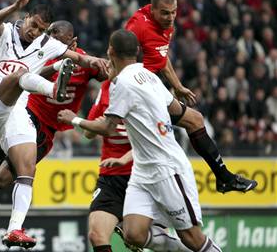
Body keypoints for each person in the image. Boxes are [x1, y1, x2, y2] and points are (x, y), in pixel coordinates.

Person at [58, 29, 222, 251]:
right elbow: (175, 112)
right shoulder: (149, 76)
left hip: (166, 168)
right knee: (133, 234)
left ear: (111, 51)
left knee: (191, 237)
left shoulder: (122, 84)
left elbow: (107, 128)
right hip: (141, 171)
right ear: (136, 52)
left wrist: (74, 119)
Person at [0, 0, 107, 248]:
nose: (35, 32)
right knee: (21, 75)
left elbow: (78, 57)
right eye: (33, 25)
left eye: (40, 29)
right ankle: (54, 87)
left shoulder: (48, 44)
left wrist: (94, 60)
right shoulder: (6, 31)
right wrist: (13, 6)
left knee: (23, 171)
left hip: (13, 112)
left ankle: (14, 229)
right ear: (27, 17)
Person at [0, 20, 105, 197]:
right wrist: (54, 66)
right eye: (50, 37)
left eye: (60, 41)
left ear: (73, 42)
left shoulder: (83, 62)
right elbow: (27, 75)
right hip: (28, 112)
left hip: (47, 131)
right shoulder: (40, 52)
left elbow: (108, 72)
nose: (53, 43)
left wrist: (106, 70)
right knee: (9, 145)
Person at [126, 0, 256, 193]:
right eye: (165, 13)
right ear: (153, 10)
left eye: (174, 12)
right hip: (140, 91)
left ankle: (224, 178)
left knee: (195, 120)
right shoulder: (137, 26)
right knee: (159, 150)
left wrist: (177, 86)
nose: (171, 17)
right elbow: (121, 56)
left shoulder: (166, 25)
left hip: (154, 86)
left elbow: (160, 57)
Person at [84, 79, 133, 252]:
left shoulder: (145, 84)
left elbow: (155, 138)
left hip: (142, 175)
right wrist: (98, 126)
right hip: (111, 176)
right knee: (97, 235)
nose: (107, 67)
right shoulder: (105, 88)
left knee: (136, 237)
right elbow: (88, 132)